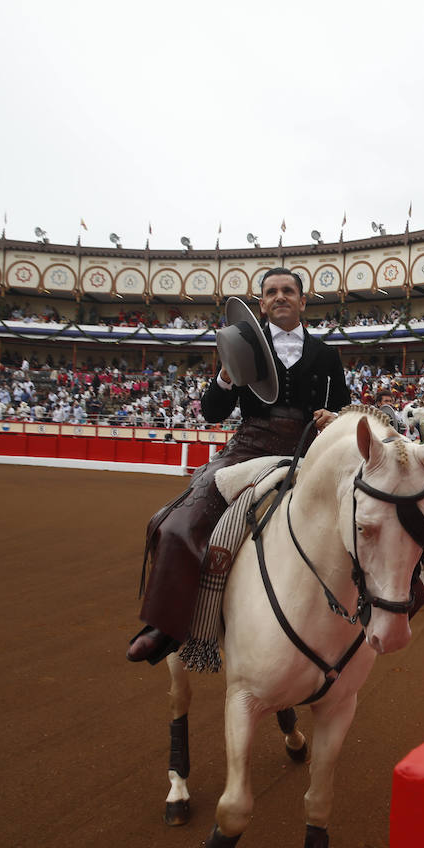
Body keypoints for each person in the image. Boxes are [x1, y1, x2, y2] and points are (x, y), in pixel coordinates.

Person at [127, 268, 350, 663]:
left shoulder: (327, 354)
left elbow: (345, 408)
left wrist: (334, 418)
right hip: (249, 446)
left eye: (288, 291)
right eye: (271, 292)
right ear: (261, 303)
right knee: (178, 520)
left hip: (308, 449)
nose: (280, 297)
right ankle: (165, 624)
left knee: (363, 508)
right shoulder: (243, 344)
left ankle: (388, 597)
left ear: (303, 301)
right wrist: (227, 374)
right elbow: (213, 412)